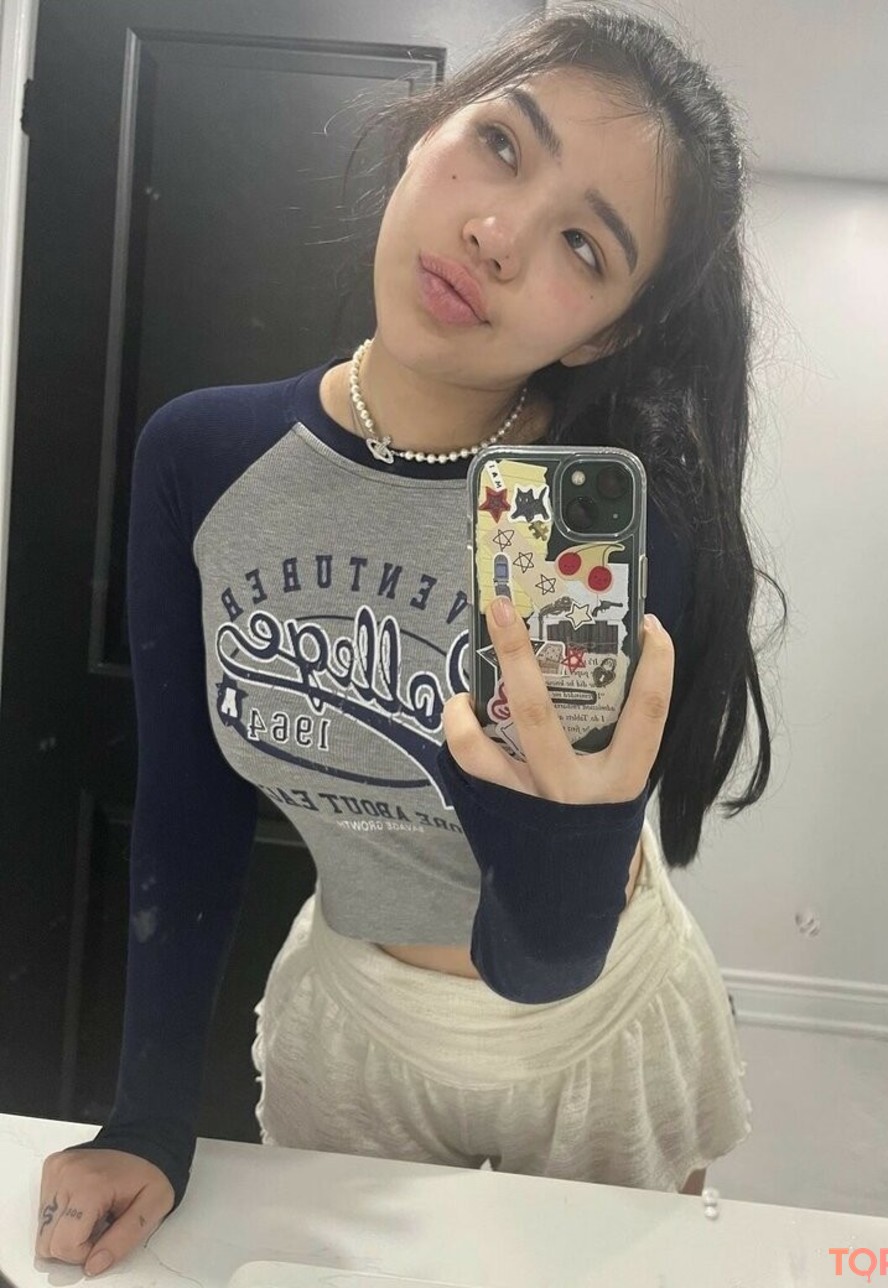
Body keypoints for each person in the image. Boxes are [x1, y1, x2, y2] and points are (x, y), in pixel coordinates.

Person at [35, 3, 785, 1274]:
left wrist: (578, 831)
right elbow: (189, 809)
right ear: (428, 129)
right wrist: (150, 1120)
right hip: (352, 1015)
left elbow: (545, 959)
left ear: (605, 329)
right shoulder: (203, 457)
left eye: (584, 245)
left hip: (593, 1030)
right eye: (501, 144)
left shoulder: (612, 536)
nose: (497, 234)